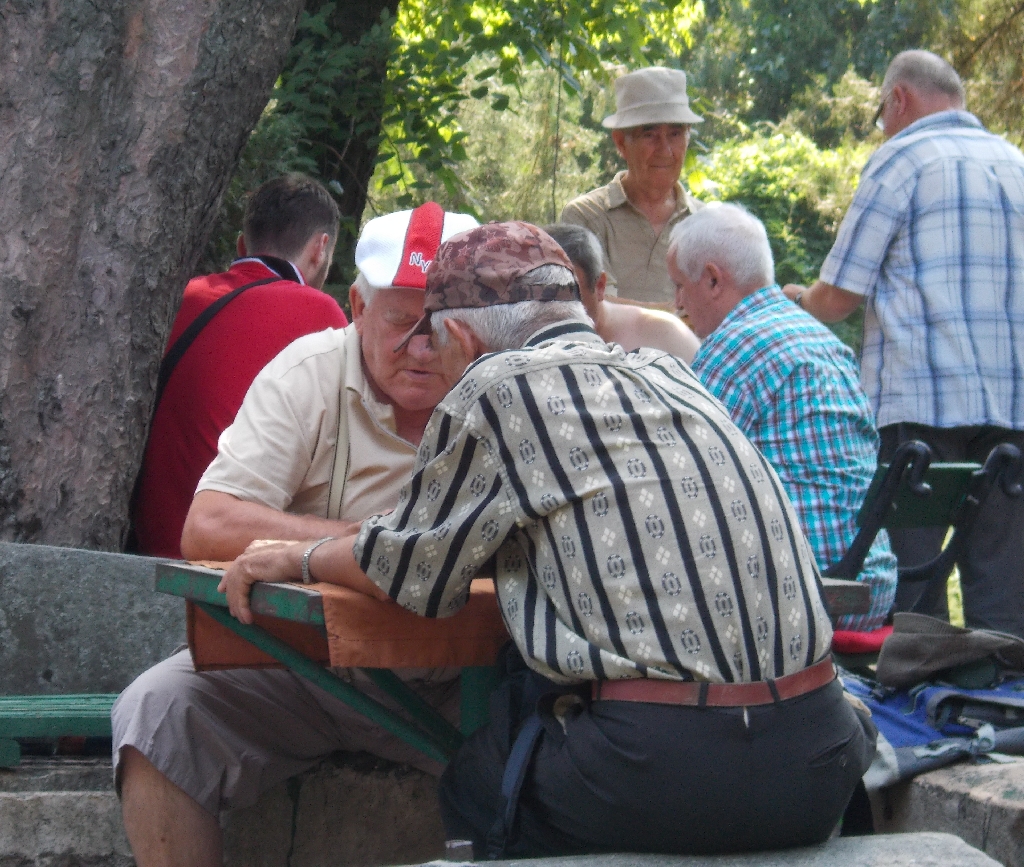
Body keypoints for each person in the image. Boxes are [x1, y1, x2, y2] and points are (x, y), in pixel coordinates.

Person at [220, 221, 876, 858]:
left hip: (659, 767)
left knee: (479, 778)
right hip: (821, 753)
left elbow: (409, 571)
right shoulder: (671, 373)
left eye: (436, 343)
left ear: (460, 338)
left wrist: (301, 556)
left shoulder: (494, 388)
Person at [113, 202, 479, 867]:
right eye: (401, 319)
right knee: (157, 711)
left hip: (465, 683)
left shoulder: (507, 392)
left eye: (445, 321)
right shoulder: (308, 371)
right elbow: (212, 523)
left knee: (573, 747)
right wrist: (368, 547)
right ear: (357, 305)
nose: (423, 346)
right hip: (310, 670)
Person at [783, 50, 1024, 638]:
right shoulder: (1017, 165)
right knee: (1004, 595)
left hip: (921, 413)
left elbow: (838, 296)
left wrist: (795, 300)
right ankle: (1003, 717)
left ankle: (925, 717)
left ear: (899, 100)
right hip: (1015, 416)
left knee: (914, 589)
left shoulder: (902, 158)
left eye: (880, 114)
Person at [668, 203, 897, 631]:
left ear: (714, 279)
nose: (678, 304)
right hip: (873, 583)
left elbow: (680, 480)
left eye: (680, 286)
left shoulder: (735, 346)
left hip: (801, 593)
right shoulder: (822, 340)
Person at [132, 173, 348, 557]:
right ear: (320, 249)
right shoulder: (320, 313)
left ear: (241, 244)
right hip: (221, 553)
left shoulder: (188, 296)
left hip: (148, 538)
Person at [561, 66, 704, 309]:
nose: (665, 150)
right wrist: (679, 314)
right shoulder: (585, 218)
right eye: (650, 135)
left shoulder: (705, 223)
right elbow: (592, 305)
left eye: (675, 134)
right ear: (620, 143)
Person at [544, 222, 700, 362]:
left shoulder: (664, 333)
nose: (555, 310)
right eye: (544, 297)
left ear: (599, 286)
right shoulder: (524, 337)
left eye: (568, 296)